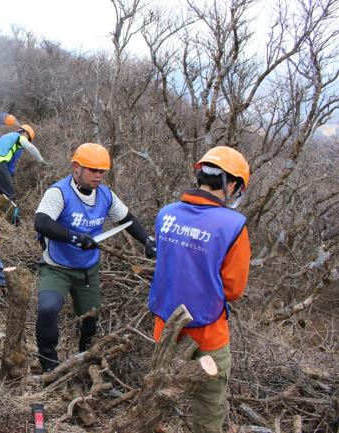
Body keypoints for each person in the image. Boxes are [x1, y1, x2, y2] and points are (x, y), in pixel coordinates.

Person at [148, 146, 251, 433]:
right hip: (208, 333)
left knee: (156, 398)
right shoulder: (234, 226)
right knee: (209, 405)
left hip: (165, 327)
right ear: (231, 185)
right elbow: (233, 289)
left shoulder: (166, 214)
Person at [34, 143, 157, 372]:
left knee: (90, 319)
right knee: (48, 309)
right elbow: (41, 221)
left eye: (102, 171)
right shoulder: (59, 192)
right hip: (57, 267)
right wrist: (74, 237)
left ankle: (84, 362)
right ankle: (49, 366)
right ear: (76, 168)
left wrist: (147, 241)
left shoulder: (105, 196)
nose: (98, 176)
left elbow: (127, 219)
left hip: (88, 269)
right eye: (93, 170)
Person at [0, 124, 47, 204]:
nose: (27, 141)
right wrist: (42, 161)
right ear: (25, 133)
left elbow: (9, 160)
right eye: (28, 139)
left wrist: (9, 175)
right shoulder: (20, 137)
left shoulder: (7, 136)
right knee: (10, 193)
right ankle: (13, 216)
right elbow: (31, 148)